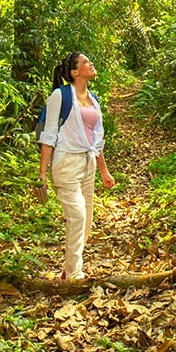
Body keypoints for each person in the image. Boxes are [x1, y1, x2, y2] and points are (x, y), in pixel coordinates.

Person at [37, 52, 115, 280]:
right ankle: (74, 273)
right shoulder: (59, 97)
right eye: (85, 62)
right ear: (74, 72)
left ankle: (69, 268)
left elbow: (96, 138)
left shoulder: (93, 98)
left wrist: (103, 170)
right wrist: (42, 173)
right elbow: (49, 134)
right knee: (78, 215)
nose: (90, 64)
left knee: (87, 218)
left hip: (87, 163)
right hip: (66, 163)